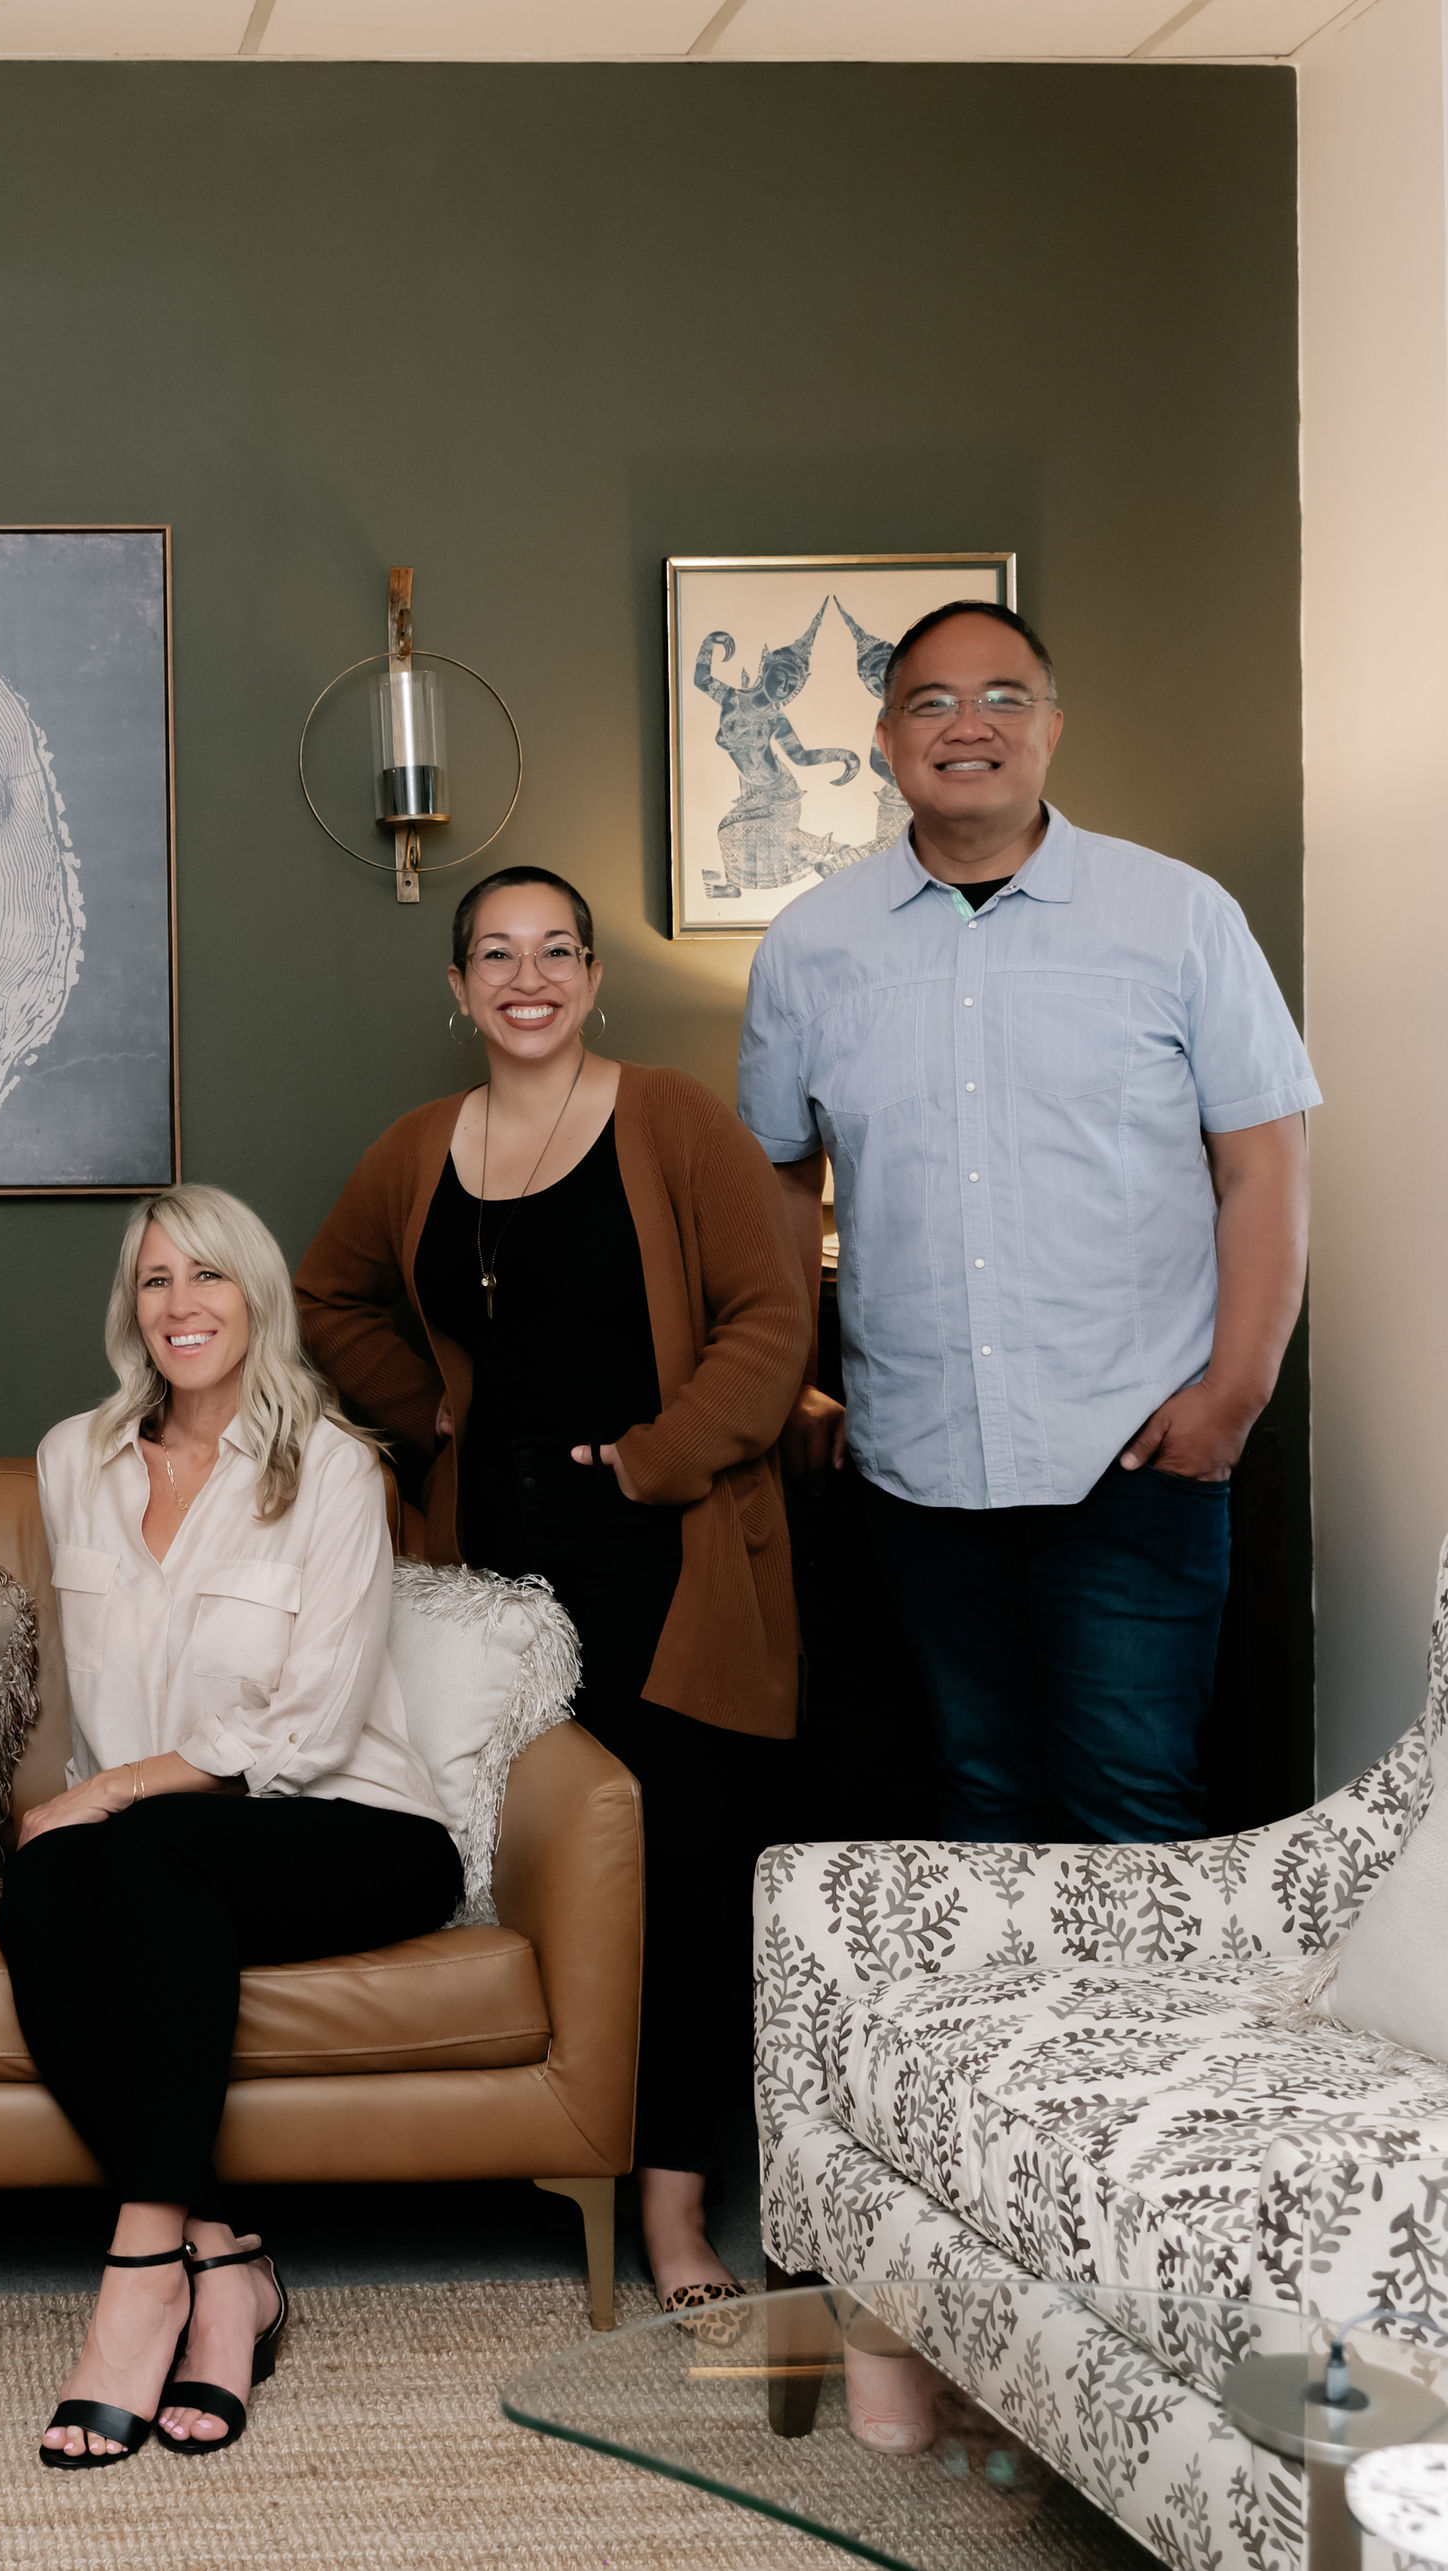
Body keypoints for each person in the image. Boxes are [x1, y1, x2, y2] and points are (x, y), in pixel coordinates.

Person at [294, 868, 815, 2323]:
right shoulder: (418, 1149)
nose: (529, 978)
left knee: (685, 1878)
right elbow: (327, 1299)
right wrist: (432, 1415)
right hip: (490, 1583)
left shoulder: (674, 1121)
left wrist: (653, 1460)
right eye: (497, 955)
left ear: (594, 977)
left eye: (557, 951)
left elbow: (771, 1323)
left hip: (670, 1568)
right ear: (457, 988)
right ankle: (555, 2154)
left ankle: (673, 2206)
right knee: (535, 1868)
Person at [740, 602, 1315, 1846]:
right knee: (973, 1811)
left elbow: (1265, 1162)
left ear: (1053, 726)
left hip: (1137, 1456)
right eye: (933, 702)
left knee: (1133, 1812)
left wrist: (1233, 1396)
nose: (970, 726)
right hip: (916, 1470)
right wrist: (787, 1381)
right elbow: (782, 1178)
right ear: (886, 738)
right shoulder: (809, 949)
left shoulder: (1179, 916)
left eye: (1004, 697)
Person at [11, 1186, 461, 2468]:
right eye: (156, 1280)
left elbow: (313, 1727)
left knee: (134, 1843)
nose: (181, 1304)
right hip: (158, 1846)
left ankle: (138, 2277)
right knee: (45, 1882)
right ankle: (224, 2264)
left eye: (208, 1276)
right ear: (130, 1307)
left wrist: (110, 1790)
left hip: (353, 1826)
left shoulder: (334, 1468)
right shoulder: (73, 1459)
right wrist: (86, 1807)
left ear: (257, 1296)